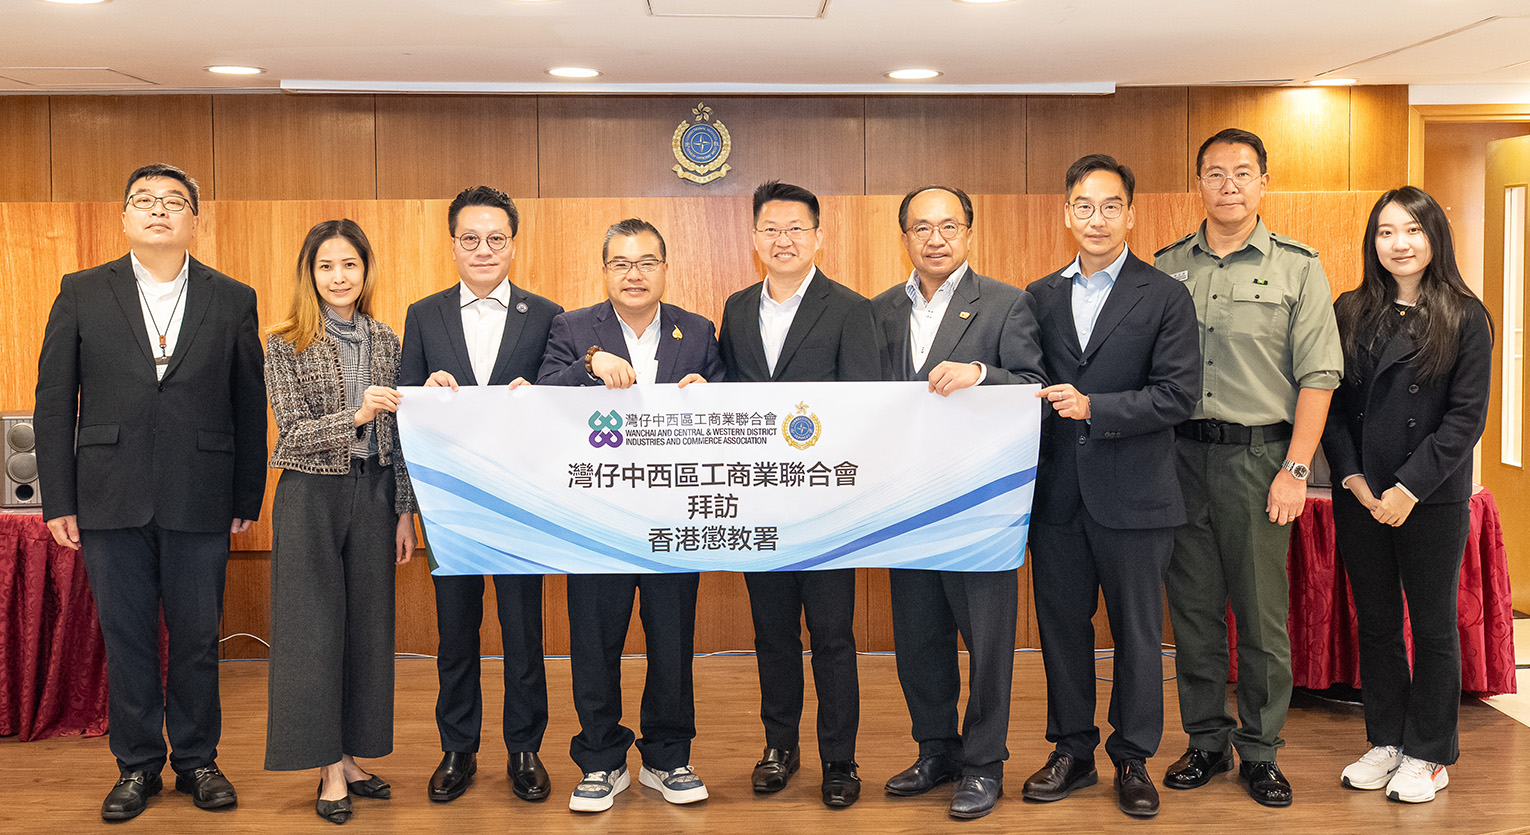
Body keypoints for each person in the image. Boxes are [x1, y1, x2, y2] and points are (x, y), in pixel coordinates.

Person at [34, 163, 267, 821]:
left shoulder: (232, 297)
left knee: (196, 638)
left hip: (201, 492)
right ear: (125, 217)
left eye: (172, 200)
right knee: (127, 637)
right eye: (144, 199)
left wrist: (246, 493)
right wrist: (59, 499)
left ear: (194, 217)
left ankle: (197, 761)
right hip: (109, 494)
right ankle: (136, 765)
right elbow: (54, 400)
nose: (158, 209)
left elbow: (249, 402)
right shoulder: (81, 291)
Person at [1153, 128, 1343, 808]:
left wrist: (1296, 468)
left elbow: (1319, 376)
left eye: (1242, 172)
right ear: (1198, 183)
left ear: (1264, 181)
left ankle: (1261, 751)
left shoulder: (1298, 267)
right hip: (1179, 459)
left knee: (1261, 617)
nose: (1228, 184)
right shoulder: (1166, 266)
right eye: (1214, 172)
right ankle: (1206, 740)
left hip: (1260, 460)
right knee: (1194, 612)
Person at [1021, 155, 1200, 819]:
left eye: (1110, 206)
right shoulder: (1038, 295)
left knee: (1138, 634)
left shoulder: (1165, 295)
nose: (1096, 219)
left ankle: (1133, 757)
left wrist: (1095, 407)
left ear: (1131, 213)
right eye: (1084, 206)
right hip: (1057, 496)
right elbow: (1023, 383)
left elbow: (1178, 395)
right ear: (1067, 213)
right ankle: (1071, 751)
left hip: (1138, 496)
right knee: (1062, 631)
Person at [537, 218, 724, 813]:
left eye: (646, 262)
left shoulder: (698, 330)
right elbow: (542, 395)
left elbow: (729, 412)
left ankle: (668, 757)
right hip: (597, 516)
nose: (634, 274)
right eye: (621, 263)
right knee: (595, 643)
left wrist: (708, 394)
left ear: (665, 269)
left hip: (675, 517)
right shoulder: (573, 329)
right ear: (605, 271)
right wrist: (590, 365)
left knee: (672, 641)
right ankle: (600, 759)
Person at [870, 185, 1044, 820]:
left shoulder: (1006, 303)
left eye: (948, 226)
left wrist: (983, 376)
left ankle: (983, 763)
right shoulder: (879, 311)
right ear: (905, 238)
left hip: (980, 505)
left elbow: (1035, 386)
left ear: (969, 232)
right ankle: (936, 750)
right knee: (919, 636)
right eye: (921, 227)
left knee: (988, 641)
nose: (935, 238)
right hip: (906, 502)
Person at [1324, 187, 1492, 804]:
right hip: (1361, 493)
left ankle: (1429, 753)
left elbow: (1465, 419)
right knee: (1376, 624)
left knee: (1433, 625)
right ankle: (1388, 740)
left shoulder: (1465, 315)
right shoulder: (1349, 310)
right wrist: (1352, 478)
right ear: (1373, 242)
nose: (1399, 243)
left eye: (1413, 230)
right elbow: (1330, 403)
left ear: (1434, 237)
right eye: (1386, 232)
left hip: (1430, 496)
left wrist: (1407, 488)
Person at [717, 180, 882, 808]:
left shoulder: (850, 308)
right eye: (771, 229)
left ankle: (840, 758)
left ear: (818, 236)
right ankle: (779, 747)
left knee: (833, 636)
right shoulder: (736, 308)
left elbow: (864, 408)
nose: (783, 240)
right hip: (759, 502)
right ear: (754, 237)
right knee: (772, 632)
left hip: (826, 503)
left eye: (795, 229)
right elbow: (728, 396)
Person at [399, 185, 563, 803]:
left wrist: (539, 398)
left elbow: (564, 404)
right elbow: (403, 411)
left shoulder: (546, 314)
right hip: (449, 505)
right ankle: (457, 749)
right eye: (471, 239)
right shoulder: (424, 314)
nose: (484, 249)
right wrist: (426, 395)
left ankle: (525, 748)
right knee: (455, 634)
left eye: (496, 238)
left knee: (524, 633)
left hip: (521, 504)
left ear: (513, 245)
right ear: (453, 246)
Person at [263, 219, 419, 824]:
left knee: (368, 631)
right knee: (313, 634)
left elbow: (400, 438)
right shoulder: (285, 341)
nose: (338, 276)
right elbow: (291, 434)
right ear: (310, 273)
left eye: (349, 264)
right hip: (310, 495)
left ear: (365, 270)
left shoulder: (386, 340)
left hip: (375, 494)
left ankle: (352, 757)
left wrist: (403, 511)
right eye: (325, 266)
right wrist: (355, 416)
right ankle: (328, 768)